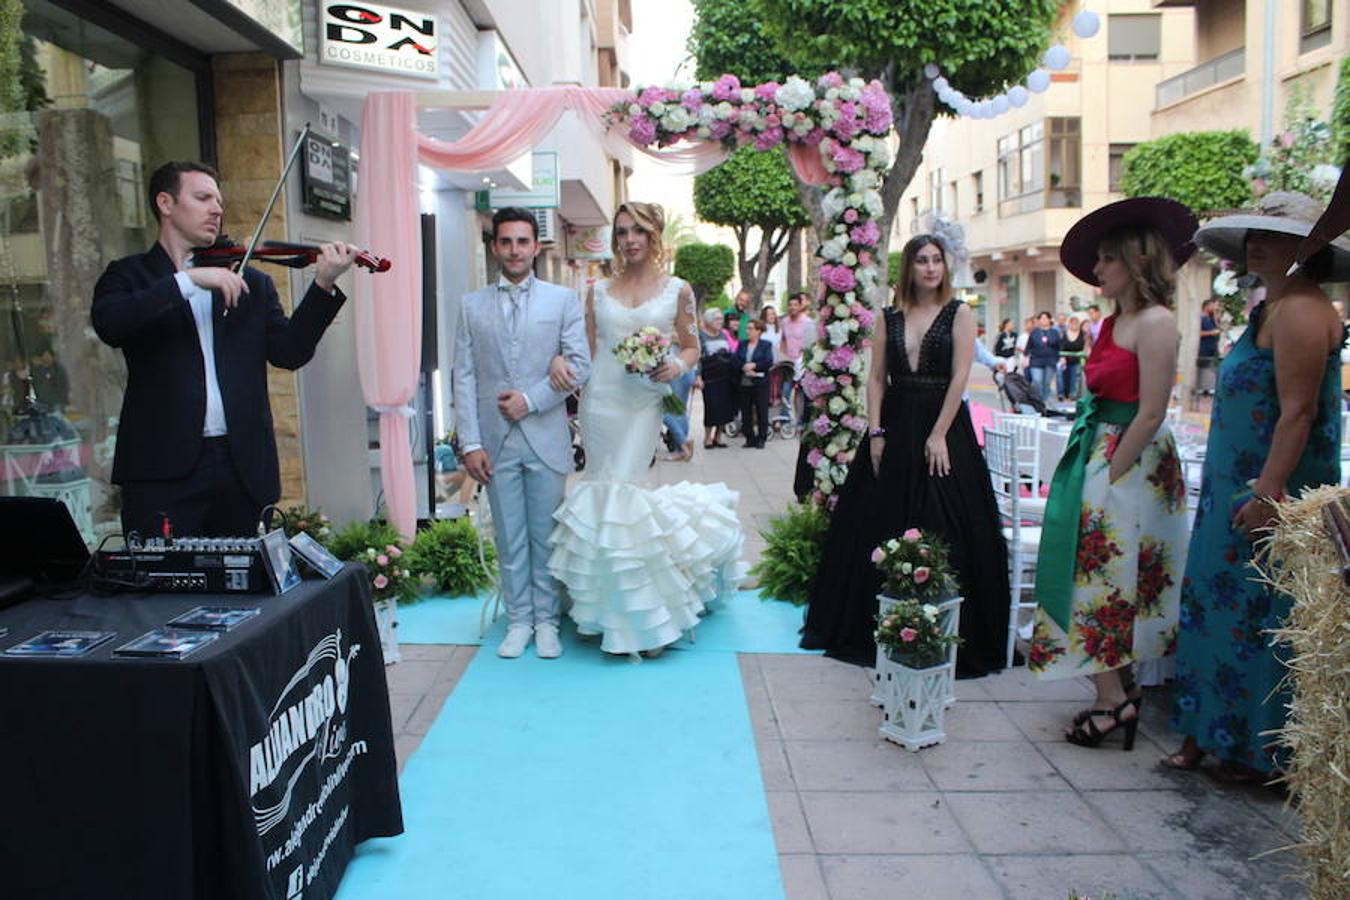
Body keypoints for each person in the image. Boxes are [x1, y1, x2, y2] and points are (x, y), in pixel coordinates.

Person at [1165, 192, 1346, 778]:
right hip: (1233, 489)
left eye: (1275, 234)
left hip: (1271, 495)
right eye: (1254, 233)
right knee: (1221, 608)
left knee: (1261, 615)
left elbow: (1299, 413)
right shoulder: (1273, 306)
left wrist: (1268, 496)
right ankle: (1208, 733)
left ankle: (1256, 751)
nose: (1257, 243)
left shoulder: (1302, 311)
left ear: (1309, 247)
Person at [91, 161, 355, 538]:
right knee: (164, 575)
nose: (216, 209)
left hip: (241, 467)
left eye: (218, 200)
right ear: (165, 203)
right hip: (161, 473)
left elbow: (289, 353)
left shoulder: (250, 282)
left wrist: (323, 285)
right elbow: (111, 324)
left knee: (243, 574)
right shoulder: (129, 276)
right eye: (203, 198)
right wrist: (186, 282)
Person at [801, 233, 1010, 677]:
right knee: (875, 521)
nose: (931, 268)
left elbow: (961, 376)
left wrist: (939, 434)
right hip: (894, 425)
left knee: (945, 519)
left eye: (936, 260)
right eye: (922, 261)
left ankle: (942, 629)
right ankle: (879, 627)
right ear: (909, 268)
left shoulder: (959, 313)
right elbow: (876, 378)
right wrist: (876, 433)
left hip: (943, 426)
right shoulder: (889, 317)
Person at [1028, 196, 1196, 750]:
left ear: (1136, 259)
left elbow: (1151, 412)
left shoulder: (1156, 322)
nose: (1097, 269)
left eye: (1107, 258)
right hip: (1102, 451)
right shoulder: (1111, 323)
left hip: (1133, 463)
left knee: (1104, 578)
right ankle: (1117, 692)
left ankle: (1114, 699)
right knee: (1098, 577)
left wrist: (1110, 473)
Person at [547, 202, 743, 658]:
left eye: (637, 230)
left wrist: (676, 365)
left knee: (626, 493)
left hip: (642, 403)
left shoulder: (678, 289)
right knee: (600, 492)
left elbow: (692, 347)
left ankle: (642, 621)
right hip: (600, 402)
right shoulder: (597, 291)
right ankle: (604, 612)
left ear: (654, 234)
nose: (629, 239)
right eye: (621, 232)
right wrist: (558, 361)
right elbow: (584, 352)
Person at [452, 207, 591, 660]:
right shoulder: (471, 306)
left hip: (545, 437)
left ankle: (547, 621)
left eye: (522, 242)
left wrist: (529, 400)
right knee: (509, 536)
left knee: (545, 536)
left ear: (536, 246)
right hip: (494, 443)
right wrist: (471, 443)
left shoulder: (562, 300)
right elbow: (463, 376)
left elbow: (580, 365)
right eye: (506, 242)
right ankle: (519, 620)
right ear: (494, 247)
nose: (514, 250)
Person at [697, 307, 737, 449]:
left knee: (725, 407)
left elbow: (730, 351)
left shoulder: (723, 334)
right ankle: (707, 437)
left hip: (725, 376)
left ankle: (718, 437)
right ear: (709, 321)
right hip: (710, 377)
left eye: (721, 319)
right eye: (717, 319)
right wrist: (698, 377)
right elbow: (698, 359)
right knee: (711, 407)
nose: (720, 322)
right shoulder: (701, 336)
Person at [735, 318, 773, 448]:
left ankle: (762, 438)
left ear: (759, 331)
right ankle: (749, 438)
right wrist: (744, 367)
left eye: (751, 329)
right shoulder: (742, 344)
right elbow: (735, 360)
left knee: (761, 410)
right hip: (744, 382)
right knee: (746, 411)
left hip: (760, 382)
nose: (748, 331)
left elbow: (768, 361)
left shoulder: (766, 345)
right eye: (747, 328)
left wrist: (755, 366)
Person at [1025, 311, 1061, 403]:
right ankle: (1038, 400)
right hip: (1036, 360)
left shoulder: (1055, 332)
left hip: (1050, 360)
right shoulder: (1035, 332)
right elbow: (1029, 346)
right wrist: (1026, 358)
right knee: (1037, 380)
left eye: (1046, 318)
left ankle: (1044, 401)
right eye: (1041, 318)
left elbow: (1059, 346)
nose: (1044, 320)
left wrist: (1061, 358)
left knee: (1047, 383)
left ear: (1049, 320)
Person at [1195, 298, 1221, 395]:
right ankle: (1203, 388)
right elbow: (1198, 333)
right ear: (1206, 307)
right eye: (1211, 306)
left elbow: (1217, 327)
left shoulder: (1211, 318)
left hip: (1213, 346)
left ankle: (1212, 387)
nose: (1213, 308)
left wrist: (1215, 315)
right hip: (1204, 346)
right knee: (1204, 367)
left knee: (1214, 366)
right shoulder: (1201, 318)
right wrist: (1211, 333)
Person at [1058, 315, 1087, 401]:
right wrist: (1062, 357)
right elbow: (1061, 346)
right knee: (1063, 377)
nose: (1074, 324)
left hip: (1077, 360)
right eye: (1072, 322)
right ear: (1069, 323)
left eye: (1076, 323)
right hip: (1065, 359)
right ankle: (1062, 394)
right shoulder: (1064, 333)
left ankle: (1073, 395)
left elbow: (1085, 346)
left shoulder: (1083, 334)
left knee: (1075, 378)